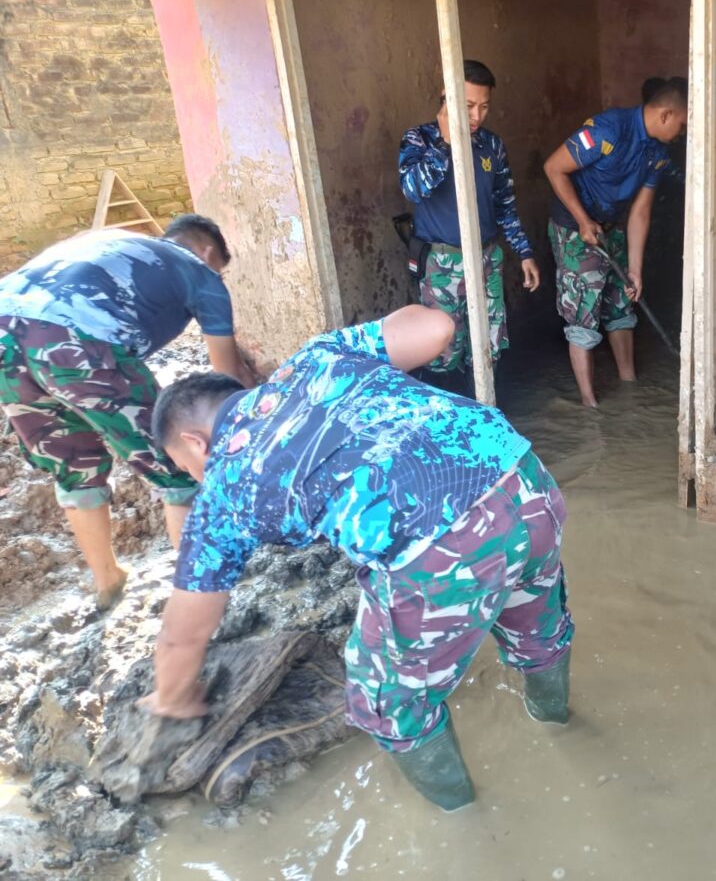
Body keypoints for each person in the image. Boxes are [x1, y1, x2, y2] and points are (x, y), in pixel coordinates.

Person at [139, 306, 574, 813]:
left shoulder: (223, 488)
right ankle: (560, 727)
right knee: (538, 630)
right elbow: (437, 328)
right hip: (522, 477)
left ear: (194, 442)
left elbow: (184, 633)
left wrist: (171, 699)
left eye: (185, 466)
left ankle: (467, 819)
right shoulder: (317, 357)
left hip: (437, 541)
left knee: (387, 706)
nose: (195, 476)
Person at [0, 216, 256, 608]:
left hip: (5, 333)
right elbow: (225, 379)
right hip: (77, 338)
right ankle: (200, 597)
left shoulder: (112, 240)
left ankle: (108, 580)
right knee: (178, 462)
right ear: (209, 253)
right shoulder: (201, 273)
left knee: (75, 464)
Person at [543, 78, 687, 407]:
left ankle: (629, 384)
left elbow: (640, 212)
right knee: (584, 310)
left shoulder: (658, 153)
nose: (682, 134)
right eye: (682, 125)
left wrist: (635, 270)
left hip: (612, 226)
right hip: (575, 228)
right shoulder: (608, 130)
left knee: (622, 300)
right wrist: (583, 220)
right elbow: (553, 167)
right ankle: (590, 404)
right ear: (665, 115)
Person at [398, 59, 539, 377]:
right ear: (446, 98)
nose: (477, 116)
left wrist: (524, 252)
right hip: (442, 265)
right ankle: (445, 408)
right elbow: (413, 190)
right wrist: (445, 143)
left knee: (488, 348)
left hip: (486, 259)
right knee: (443, 351)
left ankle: (485, 406)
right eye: (468, 106)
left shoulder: (491, 144)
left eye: (484, 107)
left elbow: (505, 203)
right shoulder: (419, 139)